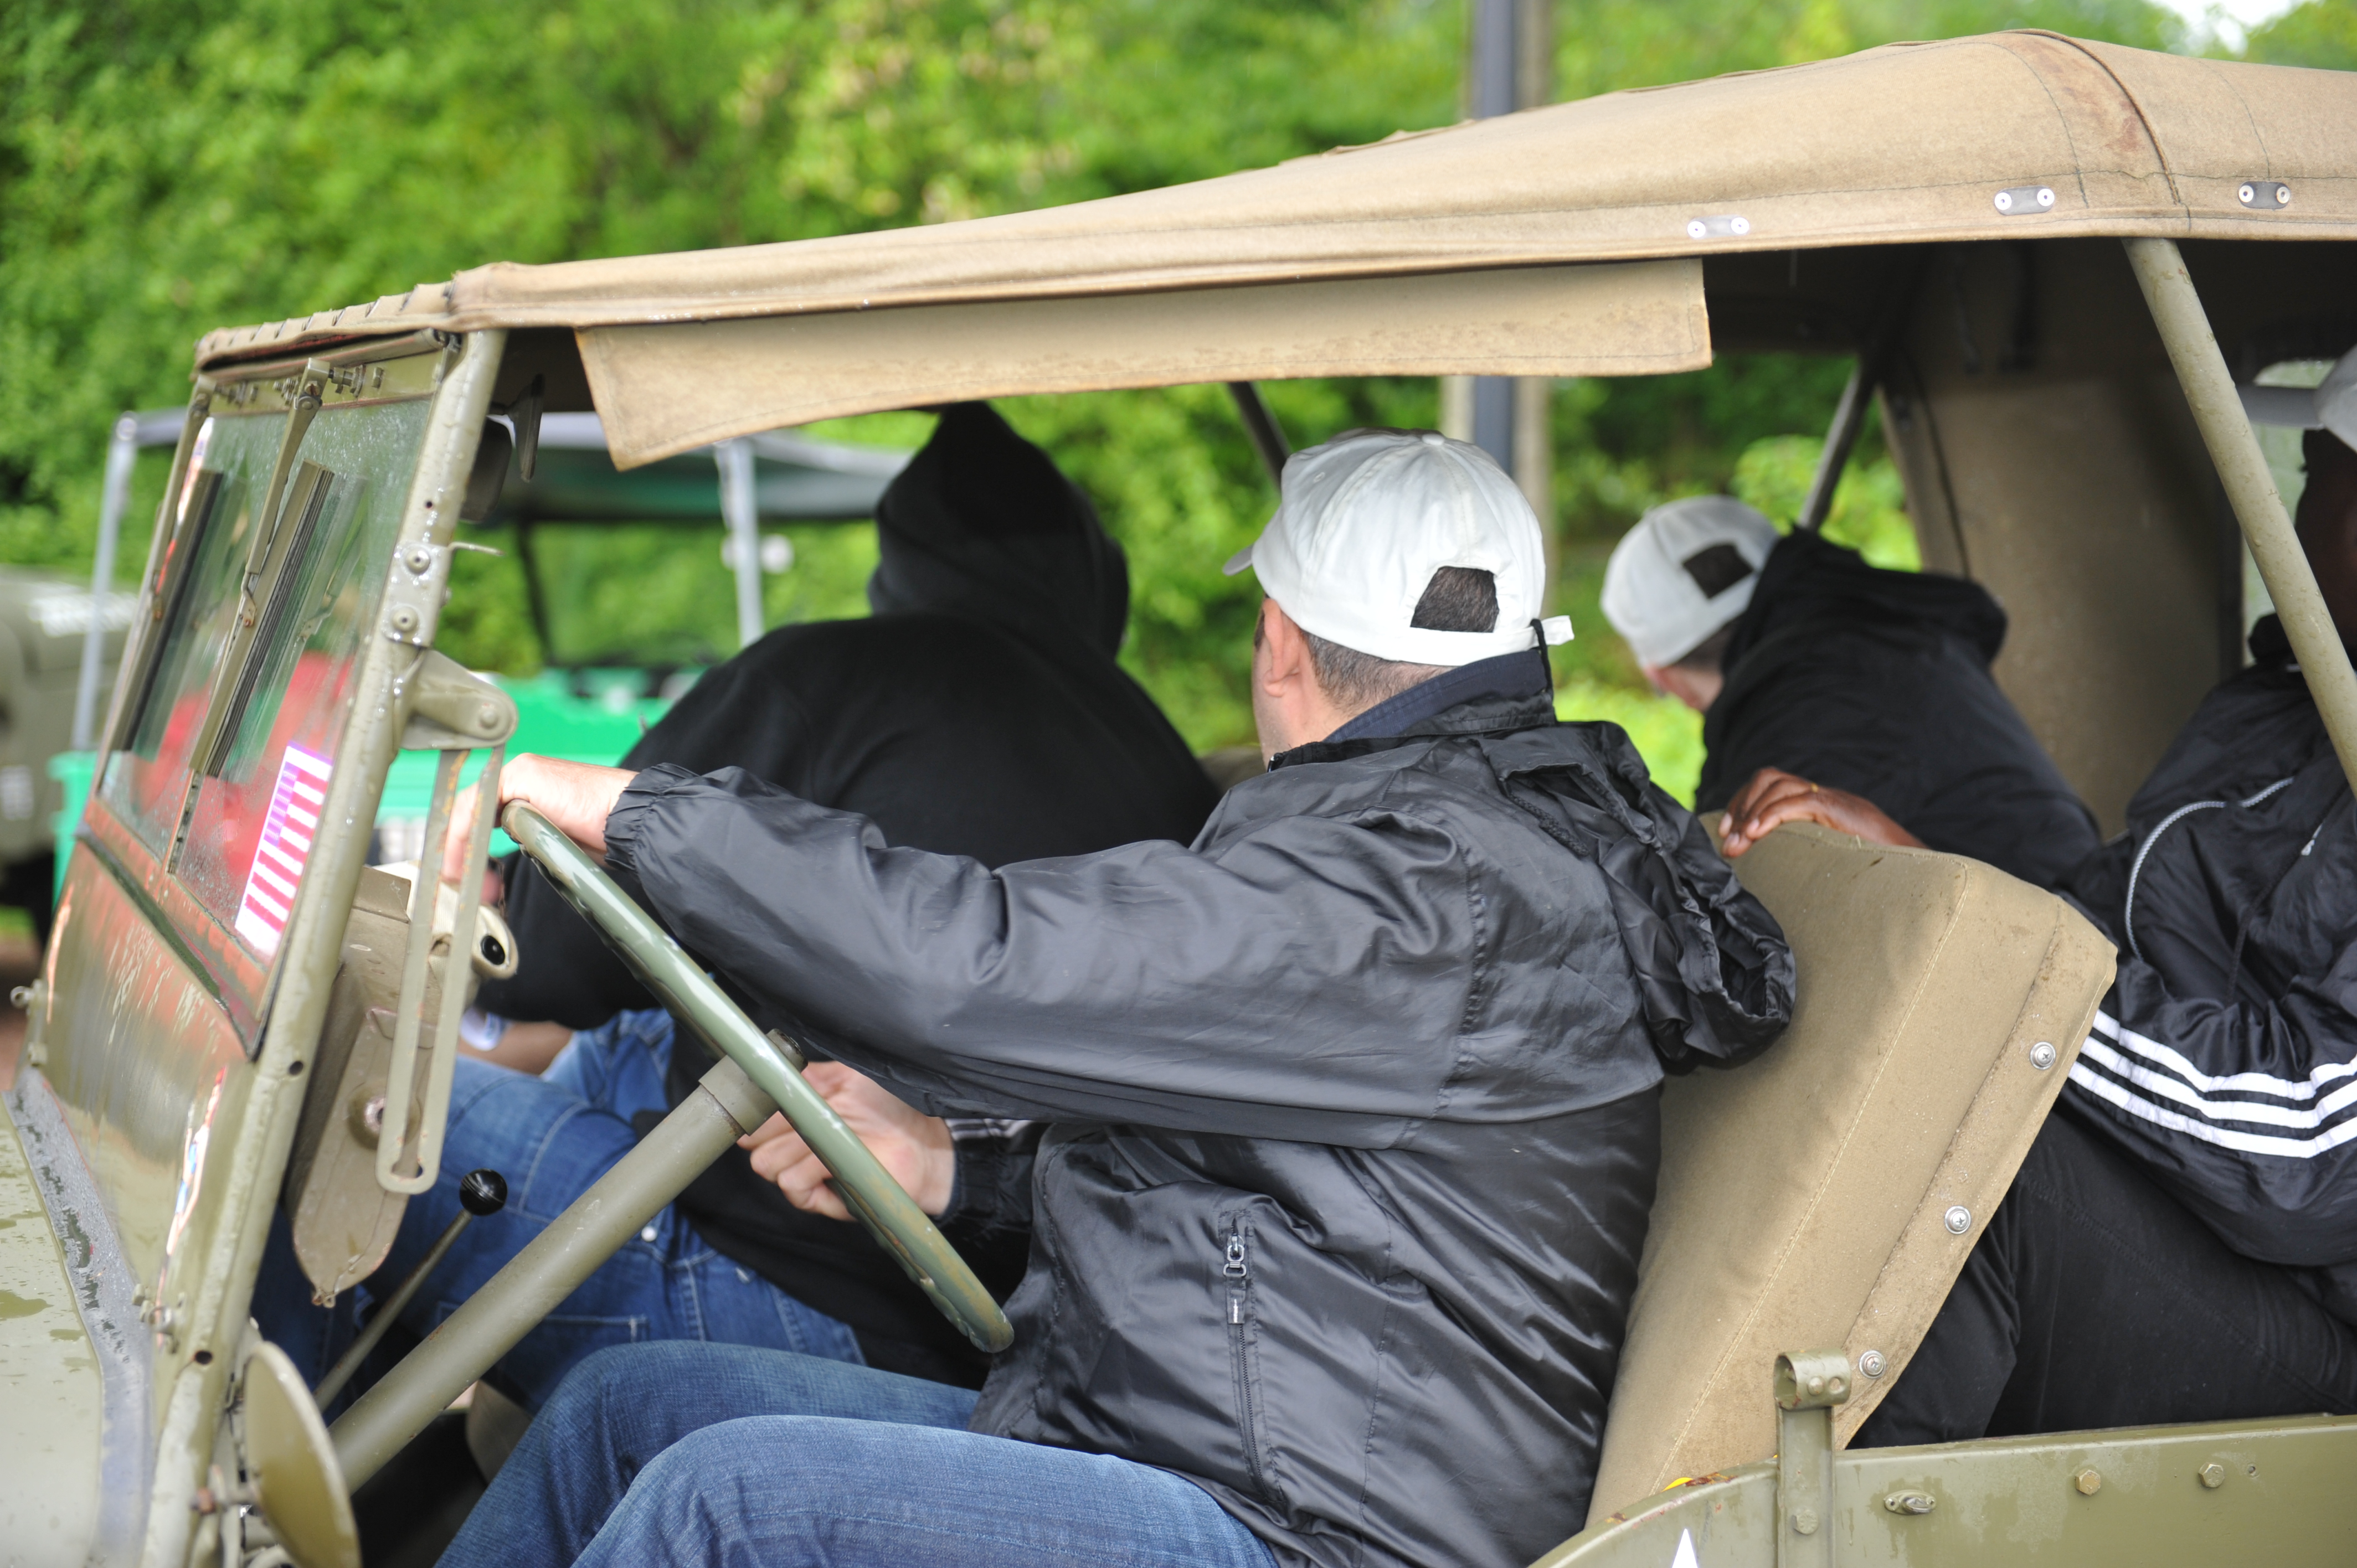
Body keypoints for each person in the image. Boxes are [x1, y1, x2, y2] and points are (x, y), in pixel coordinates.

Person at [434, 429, 1795, 1568]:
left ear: (1278, 641)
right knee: (626, 1411)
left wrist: (636, 811)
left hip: (1311, 1528)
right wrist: (953, 1168)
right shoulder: (1460, 854)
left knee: (717, 1506)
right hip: (1192, 1440)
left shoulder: (1420, 893)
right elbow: (1265, 1185)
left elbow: (972, 967)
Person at [257, 403, 1221, 1401]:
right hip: (1032, 1304)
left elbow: (542, 956)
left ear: (895, 573)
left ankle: (291, 1474)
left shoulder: (838, 675)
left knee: (295, 1097)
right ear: (1097, 583)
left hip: (803, 1284)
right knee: (637, 1034)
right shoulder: (1161, 754)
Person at [1720, 416, 2357, 1442]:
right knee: (1890, 1081)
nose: (2295, 509)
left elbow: (2307, 1158)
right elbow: (2104, 924)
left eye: (2322, 473)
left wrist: (1996, 960)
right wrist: (1924, 872)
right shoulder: (2274, 712)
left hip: (2318, 1318)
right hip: (2184, 1216)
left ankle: (1806, 1519)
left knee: (1970, 1189)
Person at [1601, 496, 2099, 888]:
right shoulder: (1904, 629)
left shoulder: (1790, 713)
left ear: (1666, 680)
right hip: (2089, 917)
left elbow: (1725, 911)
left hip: (2040, 958)